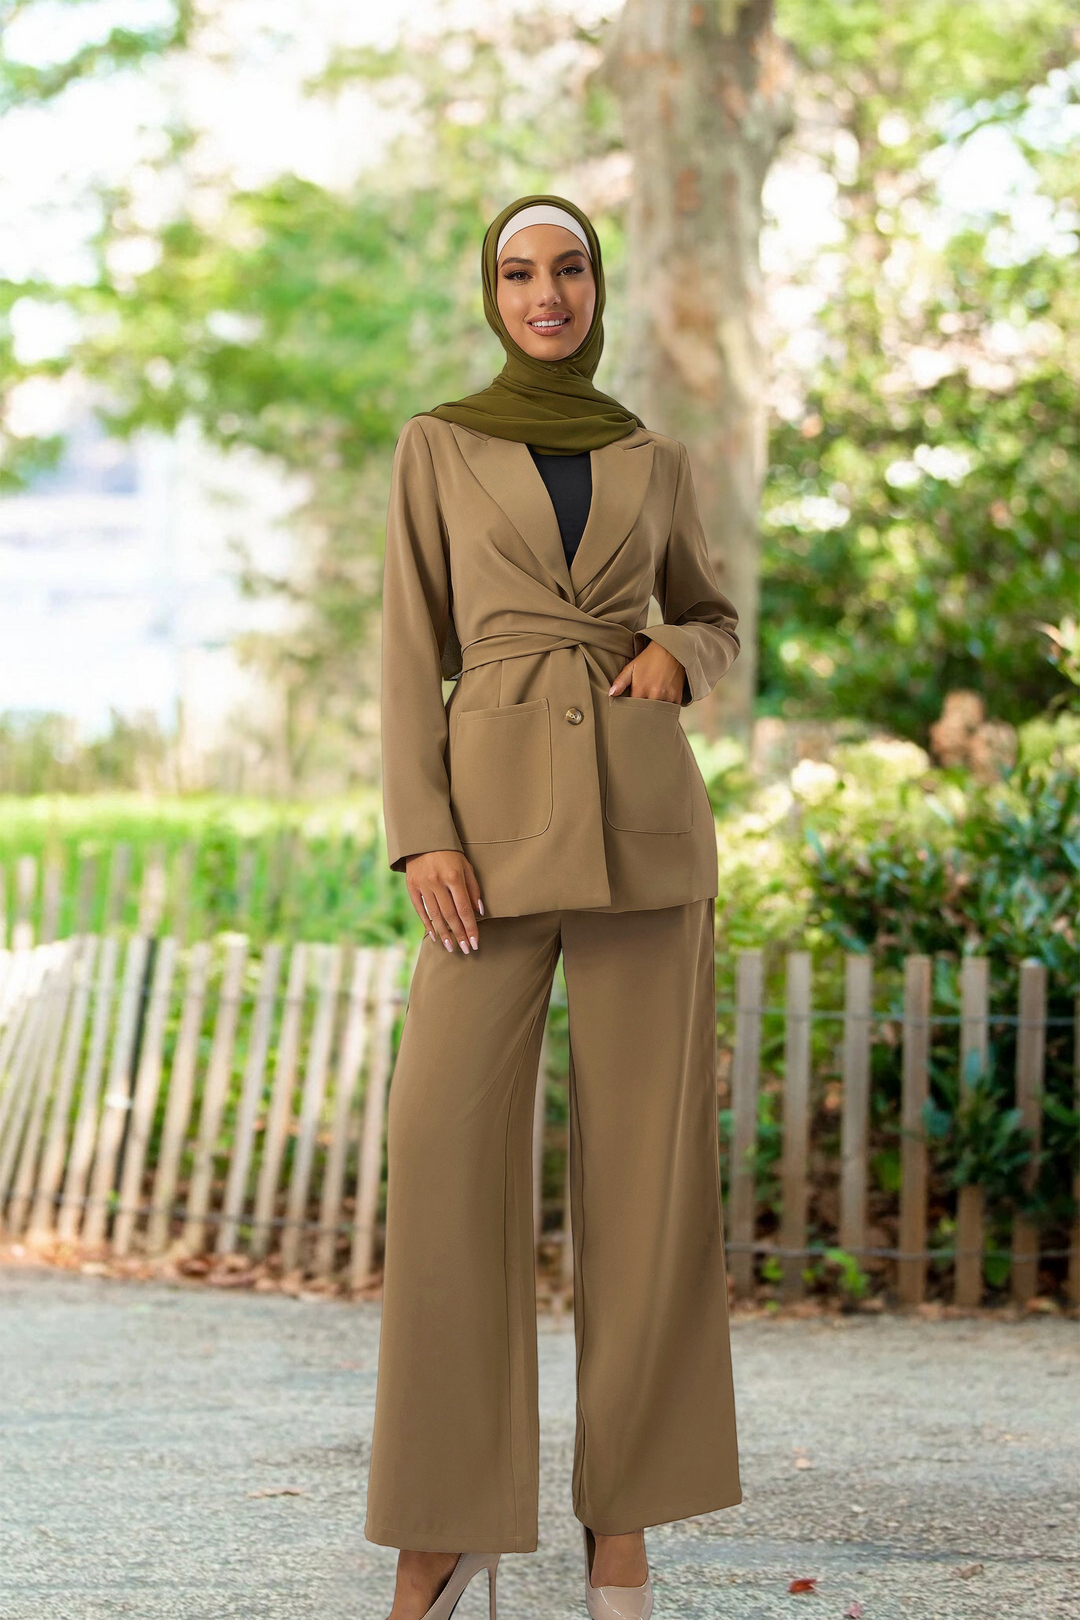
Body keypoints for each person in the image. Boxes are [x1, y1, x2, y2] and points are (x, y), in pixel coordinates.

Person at [367, 193, 742, 1620]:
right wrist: (421, 839)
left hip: (647, 830)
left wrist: (672, 656)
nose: (546, 291)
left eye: (569, 268)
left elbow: (713, 613)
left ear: (598, 286)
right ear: (492, 290)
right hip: (492, 830)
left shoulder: (652, 456)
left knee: (648, 1188)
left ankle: (626, 1527)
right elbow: (410, 647)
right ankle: (445, 1523)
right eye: (520, 272)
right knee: (444, 1150)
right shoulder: (438, 445)